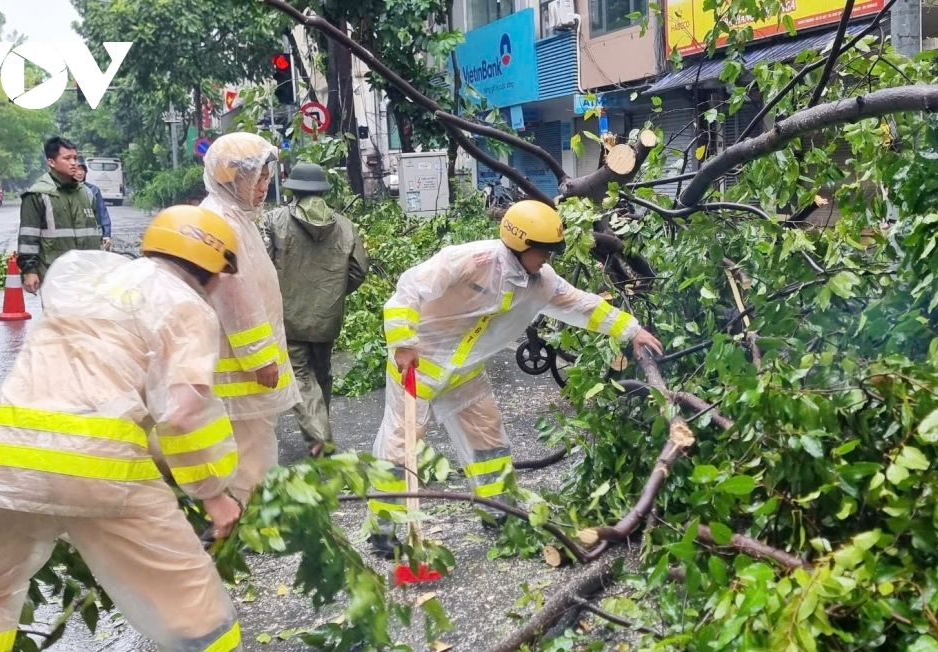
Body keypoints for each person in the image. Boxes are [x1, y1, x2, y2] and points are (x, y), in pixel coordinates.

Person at [0, 205, 247, 652]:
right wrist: (213, 494)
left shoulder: (89, 287)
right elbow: (182, 415)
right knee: (194, 605)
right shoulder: (185, 305)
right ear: (214, 268)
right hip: (101, 470)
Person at [368, 200, 664, 558]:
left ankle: (497, 511)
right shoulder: (472, 260)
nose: (547, 260)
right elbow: (409, 289)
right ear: (521, 244)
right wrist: (402, 342)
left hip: (465, 372)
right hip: (416, 366)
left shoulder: (541, 283)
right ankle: (384, 528)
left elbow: (581, 304)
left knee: (488, 440)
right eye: (543, 252)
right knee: (402, 443)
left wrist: (631, 330)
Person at [200, 132, 299, 504]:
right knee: (249, 448)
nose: (264, 186)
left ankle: (247, 514)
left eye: (265, 177)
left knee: (250, 443)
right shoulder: (221, 224)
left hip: (241, 364)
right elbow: (235, 297)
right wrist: (260, 357)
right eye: (257, 177)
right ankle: (249, 518)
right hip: (241, 368)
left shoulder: (235, 217)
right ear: (232, 178)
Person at [261, 162, 369, 458]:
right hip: (327, 317)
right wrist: (333, 293)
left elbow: (263, 268)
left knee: (299, 377)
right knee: (322, 374)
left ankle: (320, 437)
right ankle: (320, 431)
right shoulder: (345, 225)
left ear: (293, 189)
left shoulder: (274, 221)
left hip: (289, 317)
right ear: (323, 190)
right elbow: (359, 270)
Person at [17, 137, 101, 294]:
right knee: (59, 319)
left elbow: (96, 233)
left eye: (75, 158)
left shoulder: (87, 194)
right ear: (51, 162)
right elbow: (28, 237)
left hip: (87, 276)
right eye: (67, 158)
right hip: (55, 276)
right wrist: (30, 271)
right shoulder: (37, 195)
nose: (73, 163)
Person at [75, 161, 113, 251]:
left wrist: (106, 234)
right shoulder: (64, 190)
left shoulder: (94, 190)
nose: (80, 173)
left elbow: (102, 212)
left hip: (92, 235)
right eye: (77, 170)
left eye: (82, 170)